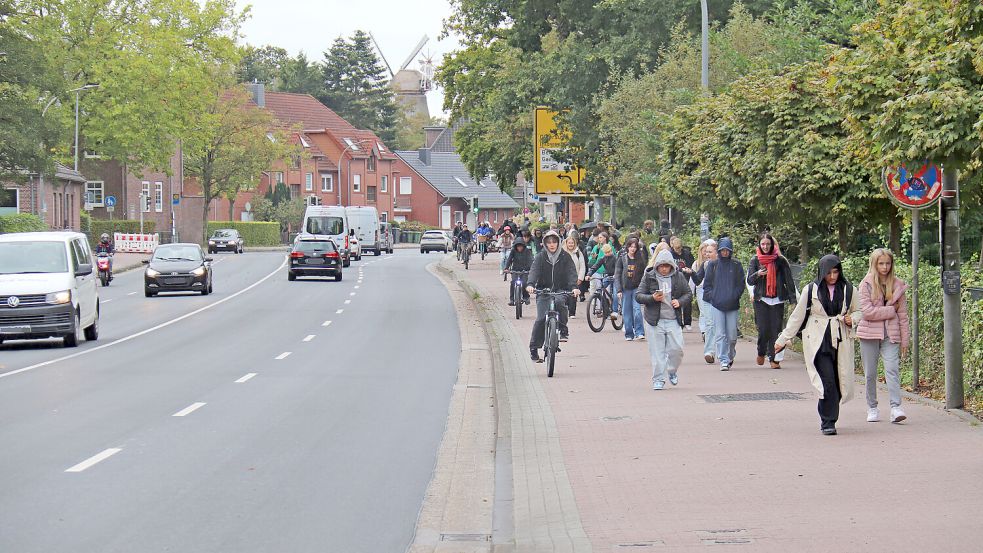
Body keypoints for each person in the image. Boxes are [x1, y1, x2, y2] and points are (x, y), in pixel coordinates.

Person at [775, 255, 859, 435]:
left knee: (838, 380)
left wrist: (853, 319)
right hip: (817, 339)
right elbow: (797, 316)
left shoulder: (849, 289)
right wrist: (783, 339)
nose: (832, 276)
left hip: (840, 338)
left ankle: (831, 416)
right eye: (828, 273)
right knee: (826, 380)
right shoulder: (811, 289)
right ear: (822, 272)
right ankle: (827, 421)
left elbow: (859, 310)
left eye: (836, 272)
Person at [857, 248, 909, 424]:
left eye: (888, 263)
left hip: (891, 335)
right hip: (869, 334)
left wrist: (905, 340)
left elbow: (903, 315)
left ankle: (896, 408)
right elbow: (867, 312)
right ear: (874, 264)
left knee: (892, 369)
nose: (885, 267)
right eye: (881, 263)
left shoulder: (898, 285)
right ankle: (872, 407)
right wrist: (889, 311)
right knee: (870, 374)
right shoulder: (866, 284)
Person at [636, 249, 692, 389]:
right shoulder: (649, 276)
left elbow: (688, 294)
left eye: (667, 266)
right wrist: (652, 298)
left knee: (677, 350)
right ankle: (658, 379)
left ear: (672, 266)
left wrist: (680, 302)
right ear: (657, 265)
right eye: (662, 266)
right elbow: (639, 295)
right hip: (655, 320)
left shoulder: (678, 277)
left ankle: (671, 370)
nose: (664, 269)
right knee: (657, 352)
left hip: (673, 319)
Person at [526, 230, 579, 362]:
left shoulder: (565, 256)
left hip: (560, 290)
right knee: (540, 319)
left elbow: (571, 272)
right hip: (543, 291)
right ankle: (534, 347)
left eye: (554, 242)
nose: (552, 244)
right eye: (549, 242)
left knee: (561, 303)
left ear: (558, 242)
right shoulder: (540, 257)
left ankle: (563, 329)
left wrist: (574, 287)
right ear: (545, 243)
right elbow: (534, 271)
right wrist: (531, 284)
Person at [746, 233, 798, 369]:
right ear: (759, 245)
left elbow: (789, 281)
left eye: (768, 244)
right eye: (763, 244)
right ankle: (761, 352)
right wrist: (758, 274)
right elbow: (749, 281)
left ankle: (774, 359)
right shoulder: (755, 260)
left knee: (776, 330)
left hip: (777, 299)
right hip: (761, 299)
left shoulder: (780, 261)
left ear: (772, 245)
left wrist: (793, 300)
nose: (765, 246)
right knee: (763, 329)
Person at [702, 237, 745, 371]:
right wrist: (713, 297)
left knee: (732, 335)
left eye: (727, 250)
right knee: (720, 334)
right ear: (719, 251)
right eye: (722, 250)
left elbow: (741, 284)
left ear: (730, 251)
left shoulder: (736, 265)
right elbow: (707, 285)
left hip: (732, 305)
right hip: (717, 305)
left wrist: (735, 295)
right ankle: (723, 360)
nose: (725, 252)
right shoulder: (713, 265)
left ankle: (731, 355)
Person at [691, 239, 717, 364]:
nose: (707, 254)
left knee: (723, 327)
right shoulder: (705, 265)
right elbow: (697, 280)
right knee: (710, 323)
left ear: (717, 253)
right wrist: (691, 272)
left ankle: (727, 352)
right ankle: (709, 352)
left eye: (710, 252)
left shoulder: (726, 265)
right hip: (706, 296)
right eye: (706, 252)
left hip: (722, 299)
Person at [614, 238, 646, 341]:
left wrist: (643, 288)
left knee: (637, 310)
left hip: (636, 288)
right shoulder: (622, 259)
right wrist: (619, 290)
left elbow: (643, 275)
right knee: (626, 311)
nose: (633, 249)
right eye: (631, 247)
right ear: (627, 247)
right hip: (625, 288)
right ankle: (629, 334)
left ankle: (640, 332)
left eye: (635, 247)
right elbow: (617, 274)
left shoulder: (640, 259)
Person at [670, 237, 696, 329]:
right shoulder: (670, 254)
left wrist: (688, 270)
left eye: (679, 248)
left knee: (687, 300)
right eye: (676, 249)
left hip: (686, 278)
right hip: (675, 279)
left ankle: (687, 322)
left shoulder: (687, 254)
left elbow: (692, 265)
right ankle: (679, 322)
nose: (678, 251)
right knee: (676, 300)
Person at [587, 243, 618, 317]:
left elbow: (618, 268)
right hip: (607, 276)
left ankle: (615, 311)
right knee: (600, 289)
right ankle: (604, 307)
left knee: (615, 293)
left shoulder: (615, 258)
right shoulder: (603, 258)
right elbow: (595, 266)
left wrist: (615, 275)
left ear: (611, 250)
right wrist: (589, 274)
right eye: (606, 252)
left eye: (609, 252)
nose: (608, 254)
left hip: (616, 277)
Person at [563, 235, 586, 318]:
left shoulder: (578, 253)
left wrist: (580, 277)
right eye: (569, 243)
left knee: (573, 295)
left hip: (575, 277)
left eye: (572, 243)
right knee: (565, 295)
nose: (570, 244)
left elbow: (582, 266)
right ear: (566, 243)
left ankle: (572, 313)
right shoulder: (562, 253)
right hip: (564, 277)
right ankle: (565, 310)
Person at [505, 240, 534, 305]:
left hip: (525, 270)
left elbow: (530, 260)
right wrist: (506, 268)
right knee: (513, 283)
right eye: (518, 246)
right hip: (515, 270)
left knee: (524, 282)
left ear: (523, 246)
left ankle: (526, 297)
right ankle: (512, 299)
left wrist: (531, 269)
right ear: (516, 246)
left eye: (521, 246)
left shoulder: (527, 251)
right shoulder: (513, 251)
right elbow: (509, 259)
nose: (519, 248)